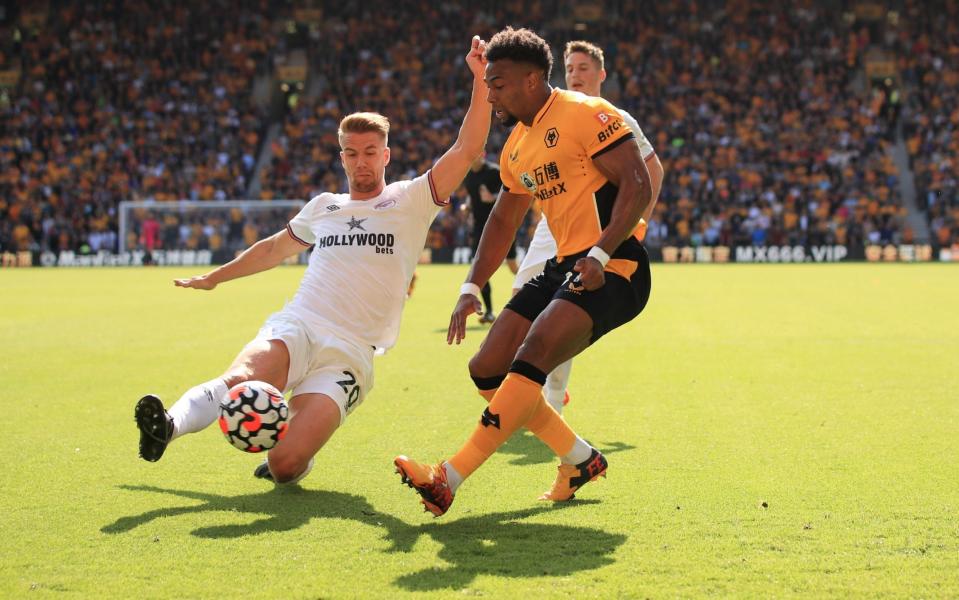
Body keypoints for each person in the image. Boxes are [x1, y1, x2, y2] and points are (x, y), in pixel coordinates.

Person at [135, 36, 493, 485]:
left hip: (351, 354)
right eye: (350, 152)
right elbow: (271, 249)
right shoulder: (324, 205)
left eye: (369, 153)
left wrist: (480, 80)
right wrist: (215, 278)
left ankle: (292, 452)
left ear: (385, 155)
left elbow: (466, 149)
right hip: (300, 323)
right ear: (341, 155)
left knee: (285, 467)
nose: (360, 163)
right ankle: (167, 425)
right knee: (242, 377)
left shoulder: (412, 199)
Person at [394, 27, 653, 516]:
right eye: (488, 83)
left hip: (613, 264)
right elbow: (503, 219)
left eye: (499, 83)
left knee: (531, 355)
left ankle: (447, 478)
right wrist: (472, 286)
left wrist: (599, 255)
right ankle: (580, 459)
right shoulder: (515, 145)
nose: (490, 92)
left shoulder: (585, 113)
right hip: (563, 265)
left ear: (533, 79)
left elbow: (638, 184)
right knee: (486, 369)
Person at [512, 40, 665, 413]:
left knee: (566, 309)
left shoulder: (616, 116)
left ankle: (548, 400)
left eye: (583, 68)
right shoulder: (555, 114)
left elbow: (652, 170)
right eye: (570, 68)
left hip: (596, 228)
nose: (576, 75)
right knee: (520, 299)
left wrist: (637, 221)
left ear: (601, 75)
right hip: (554, 226)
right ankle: (530, 391)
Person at [462, 155, 519, 323]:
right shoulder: (468, 175)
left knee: (513, 266)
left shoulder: (494, 172)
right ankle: (489, 312)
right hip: (480, 229)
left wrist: (492, 198)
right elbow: (472, 195)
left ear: (483, 154)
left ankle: (537, 292)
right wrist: (467, 205)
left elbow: (513, 192)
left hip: (502, 226)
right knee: (479, 267)